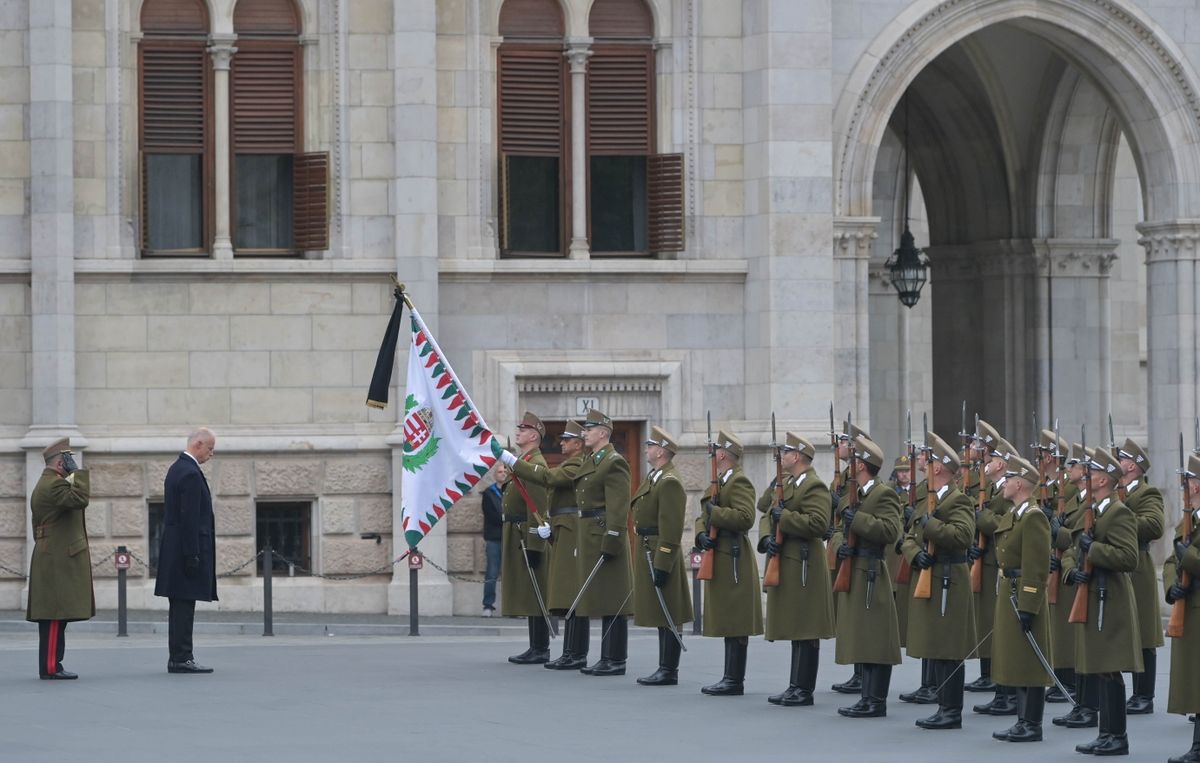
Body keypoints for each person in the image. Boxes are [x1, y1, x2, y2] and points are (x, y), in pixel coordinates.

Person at [507, 408, 633, 676]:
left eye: (588, 430)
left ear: (603, 433)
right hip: (582, 533)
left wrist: (613, 537)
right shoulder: (593, 461)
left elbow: (618, 507)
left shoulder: (613, 461)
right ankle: (583, 654)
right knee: (577, 595)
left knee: (610, 597)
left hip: (597, 533)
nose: (583, 434)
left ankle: (613, 658)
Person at [1062, 448, 1143, 756]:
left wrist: (1093, 549)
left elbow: (1128, 558)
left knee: (1110, 669)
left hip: (1111, 597)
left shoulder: (1118, 511)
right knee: (1100, 667)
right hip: (1095, 594)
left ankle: (1117, 736)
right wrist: (1076, 565)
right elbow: (1072, 546)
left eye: (1093, 473)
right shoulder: (1093, 508)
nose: (1087, 476)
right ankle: (1105, 733)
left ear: (1105, 480)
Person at [902, 432, 977, 730]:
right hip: (931, 573)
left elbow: (962, 537)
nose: (923, 463)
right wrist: (914, 554)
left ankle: (951, 710)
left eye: (928, 459)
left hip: (950, 578)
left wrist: (930, 525)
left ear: (939, 468)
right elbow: (909, 535)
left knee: (949, 647)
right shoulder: (930, 498)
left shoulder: (958, 500)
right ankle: (942, 705)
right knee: (937, 645)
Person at [758, 432, 834, 706]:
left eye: (786, 451)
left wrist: (786, 517)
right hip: (789, 560)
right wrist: (767, 537)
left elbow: (819, 524)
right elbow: (765, 509)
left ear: (798, 456)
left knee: (807, 628)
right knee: (796, 627)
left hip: (805, 563)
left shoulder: (814, 486)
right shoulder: (788, 482)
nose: (782, 455)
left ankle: (804, 689)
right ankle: (794, 685)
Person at [833, 434, 903, 718]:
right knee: (862, 635)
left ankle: (876, 700)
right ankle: (865, 697)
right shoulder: (857, 494)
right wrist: (838, 547)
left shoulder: (882, 493)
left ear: (862, 465)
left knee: (876, 636)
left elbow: (890, 531)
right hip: (854, 567)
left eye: (852, 461)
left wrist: (859, 520)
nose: (848, 466)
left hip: (872, 569)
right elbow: (837, 530)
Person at [989, 455, 1053, 743]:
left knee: (1029, 659)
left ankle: (1032, 723)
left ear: (1019, 484)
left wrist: (1028, 604)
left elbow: (1036, 566)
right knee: (1016, 657)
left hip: (1022, 594)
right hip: (1009, 591)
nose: (1003, 484)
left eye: (1008, 480)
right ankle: (1022, 720)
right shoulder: (1016, 514)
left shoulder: (1034, 517)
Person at [694, 429, 762, 695]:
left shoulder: (739, 481)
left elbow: (746, 518)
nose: (711, 456)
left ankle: (734, 680)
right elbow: (704, 512)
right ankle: (729, 676)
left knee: (735, 618)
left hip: (733, 555)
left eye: (714, 452)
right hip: (719, 552)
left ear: (722, 454)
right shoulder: (719, 482)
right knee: (727, 616)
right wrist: (701, 534)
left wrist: (717, 514)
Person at [26, 438, 94, 680]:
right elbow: (80, 499)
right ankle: (51, 667)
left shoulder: (50, 483)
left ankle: (54, 664)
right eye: (68, 460)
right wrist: (78, 473)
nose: (70, 464)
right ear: (59, 463)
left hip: (52, 554)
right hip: (55, 558)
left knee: (58, 615)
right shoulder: (53, 485)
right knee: (54, 615)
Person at [632, 425, 692, 686]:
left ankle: (669, 669)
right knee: (661, 610)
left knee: (669, 610)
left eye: (650, 445)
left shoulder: (669, 482)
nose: (646, 449)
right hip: (648, 547)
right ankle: (664, 666)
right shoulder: (655, 477)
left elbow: (671, 527)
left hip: (660, 551)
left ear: (661, 451)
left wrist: (663, 561)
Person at [154, 427, 218, 674]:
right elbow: (189, 518)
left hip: (176, 548)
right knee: (183, 607)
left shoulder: (177, 468)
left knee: (180, 605)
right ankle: (182, 657)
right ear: (198, 444)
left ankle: (179, 656)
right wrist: (193, 554)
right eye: (210, 448)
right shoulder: (190, 473)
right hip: (185, 550)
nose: (211, 454)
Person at [497, 412, 552, 665]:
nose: (518, 432)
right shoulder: (524, 460)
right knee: (530, 591)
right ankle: (534, 645)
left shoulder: (536, 463)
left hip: (526, 536)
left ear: (534, 436)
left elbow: (538, 507)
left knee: (536, 589)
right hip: (516, 533)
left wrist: (535, 544)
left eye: (523, 429)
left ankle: (541, 647)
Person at [971, 428, 1020, 717]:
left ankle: (1007, 692)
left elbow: (1007, 522)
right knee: (993, 624)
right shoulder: (991, 487)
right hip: (990, 562)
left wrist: (983, 519)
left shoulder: (1008, 489)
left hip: (1002, 565)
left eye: (989, 457)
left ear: (1001, 463)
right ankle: (1000, 689)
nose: (984, 460)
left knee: (1001, 628)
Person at [1117, 437, 1165, 715]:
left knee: (1144, 632)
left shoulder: (1147, 494)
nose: (1118, 464)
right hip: (1122, 564)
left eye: (1122, 459)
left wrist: (1121, 517)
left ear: (1133, 466)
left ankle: (1144, 694)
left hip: (1139, 567)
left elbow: (1155, 526)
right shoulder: (1119, 491)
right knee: (1127, 630)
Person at [538, 420, 590, 671]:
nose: (561, 443)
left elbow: (549, 477)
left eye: (566, 440)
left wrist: (517, 464)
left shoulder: (577, 464)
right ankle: (570, 651)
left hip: (572, 531)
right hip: (563, 529)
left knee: (573, 593)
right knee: (568, 594)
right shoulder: (569, 463)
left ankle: (576, 653)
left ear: (578, 445)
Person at [1164, 452, 1200, 763]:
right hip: (1189, 606)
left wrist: (1187, 556)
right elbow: (1167, 562)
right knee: (1195, 678)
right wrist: (1171, 588)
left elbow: (1187, 558)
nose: (1184, 485)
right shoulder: (1189, 520)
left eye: (1188, 480)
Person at [479, 464, 504, 617]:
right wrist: (508, 518)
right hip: (494, 538)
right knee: (492, 573)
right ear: (495, 475)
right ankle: (488, 605)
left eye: (505, 471)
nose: (502, 474)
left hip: (511, 538)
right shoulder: (489, 493)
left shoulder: (514, 491)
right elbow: (492, 516)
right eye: (500, 472)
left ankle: (514, 607)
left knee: (512, 574)